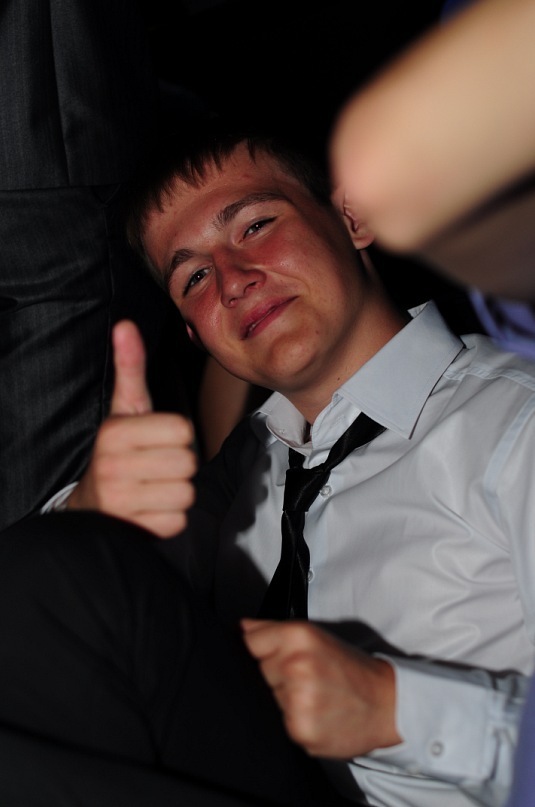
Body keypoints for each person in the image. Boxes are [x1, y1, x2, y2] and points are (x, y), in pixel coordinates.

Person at [20, 121, 532, 807]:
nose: (232, 282)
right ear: (194, 333)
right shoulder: (249, 464)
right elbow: (58, 609)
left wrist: (394, 708)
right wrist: (93, 511)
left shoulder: (515, 424)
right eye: (194, 277)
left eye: (256, 226)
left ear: (352, 217)